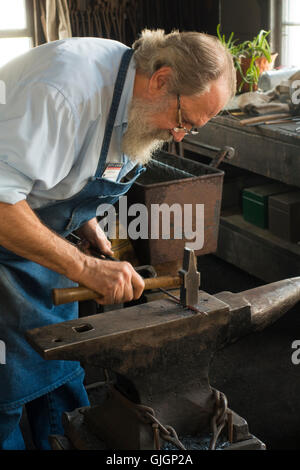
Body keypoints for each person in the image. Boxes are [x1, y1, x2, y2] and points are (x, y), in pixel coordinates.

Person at [0, 28, 235, 450]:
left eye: (192, 129)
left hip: (33, 234)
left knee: (59, 368)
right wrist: (84, 267)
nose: (179, 135)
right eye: (182, 120)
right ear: (161, 79)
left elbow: (69, 170)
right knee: (8, 386)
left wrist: (81, 220)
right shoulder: (63, 93)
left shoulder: (133, 96)